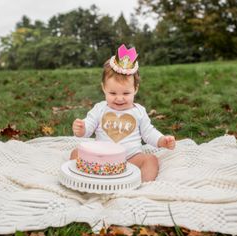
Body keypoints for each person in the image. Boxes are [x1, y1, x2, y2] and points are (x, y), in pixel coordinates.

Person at [70, 44, 176, 182]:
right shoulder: (100, 108)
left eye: (126, 93)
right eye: (113, 93)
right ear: (103, 88)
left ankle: (140, 186)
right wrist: (81, 128)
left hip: (130, 159)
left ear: (135, 89)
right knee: (76, 153)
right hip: (101, 158)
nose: (119, 98)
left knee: (150, 160)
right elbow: (88, 127)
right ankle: (85, 179)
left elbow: (149, 132)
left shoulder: (139, 111)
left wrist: (162, 140)